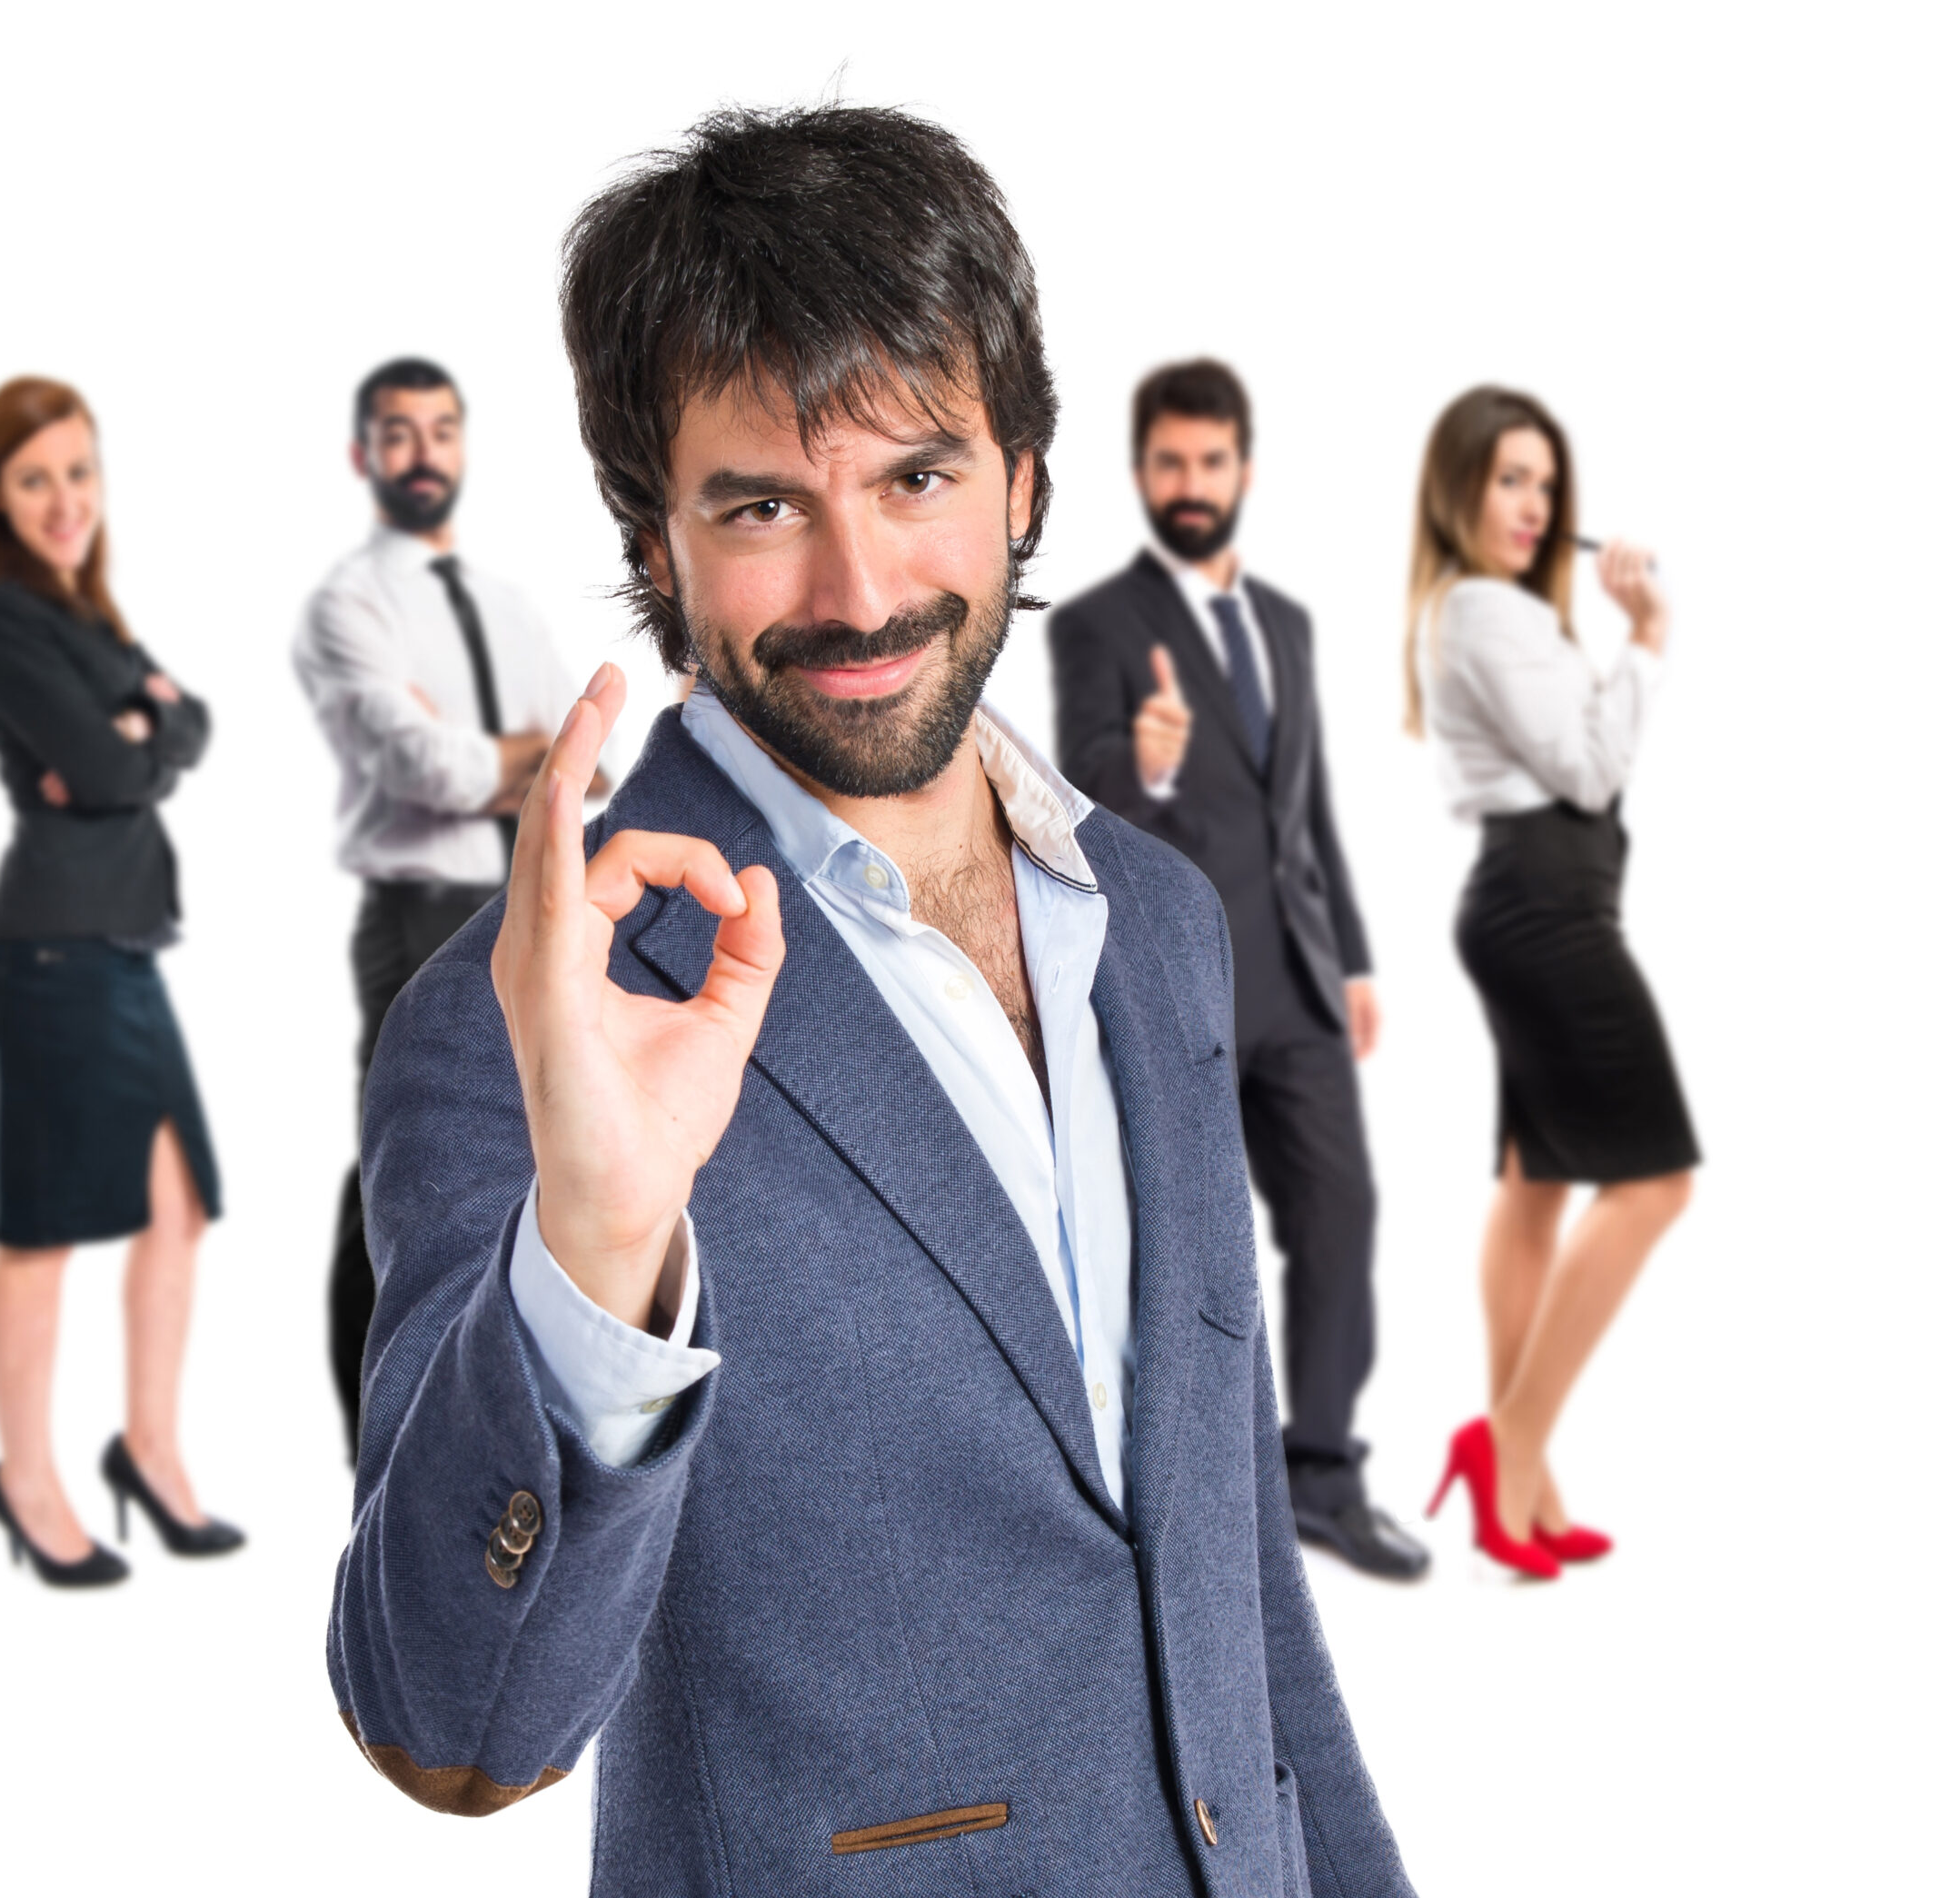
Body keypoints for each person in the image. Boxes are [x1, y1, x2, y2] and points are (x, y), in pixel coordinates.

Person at [326, 106, 1412, 1895]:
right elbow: (450, 1723)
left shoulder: (1154, 922)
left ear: (1024, 481)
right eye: (761, 504)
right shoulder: (540, 1005)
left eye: (917, 476)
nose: (859, 591)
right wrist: (601, 1248)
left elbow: (1244, 1607)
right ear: (654, 541)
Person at [1049, 362, 1427, 1581]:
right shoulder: (1099, 624)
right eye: (1169, 462)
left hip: (1298, 981)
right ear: (1140, 471)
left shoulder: (1288, 626)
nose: (1191, 483)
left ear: (1243, 469)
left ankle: (1323, 1473)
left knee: (1339, 1212)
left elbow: (1305, 812)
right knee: (1191, 1246)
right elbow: (1077, 800)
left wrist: (1351, 958)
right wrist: (1148, 759)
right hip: (1181, 984)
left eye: (1210, 461)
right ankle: (1203, 1498)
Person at [1406, 385, 1698, 1579]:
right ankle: (1509, 1444)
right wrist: (1648, 637)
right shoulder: (1482, 607)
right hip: (1544, 905)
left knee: (1537, 1182)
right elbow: (1588, 768)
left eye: (1544, 481)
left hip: (1541, 899)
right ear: (1460, 489)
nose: (1531, 504)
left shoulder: (1494, 610)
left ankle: (1524, 1487)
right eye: (1507, 479)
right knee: (1654, 1182)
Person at [0, 376, 244, 1587]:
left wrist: (140, 733)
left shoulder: (89, 615)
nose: (64, 499)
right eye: (35, 479)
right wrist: (133, 734)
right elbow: (111, 768)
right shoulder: (4, 618)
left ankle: (149, 1450)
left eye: (77, 472)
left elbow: (192, 728)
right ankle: (26, 1481)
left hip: (122, 945)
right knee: (45, 1225)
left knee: (179, 1205)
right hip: (54, 954)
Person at [294, 359, 592, 1458]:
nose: (422, 454)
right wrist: (521, 756)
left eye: (439, 430)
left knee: (529, 1157)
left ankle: (501, 1425)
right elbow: (420, 764)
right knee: (401, 1169)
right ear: (362, 454)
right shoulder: (349, 605)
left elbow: (585, 759)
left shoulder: (507, 607)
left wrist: (503, 757)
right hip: (419, 912)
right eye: (398, 433)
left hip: (528, 900)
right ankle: (377, 1441)